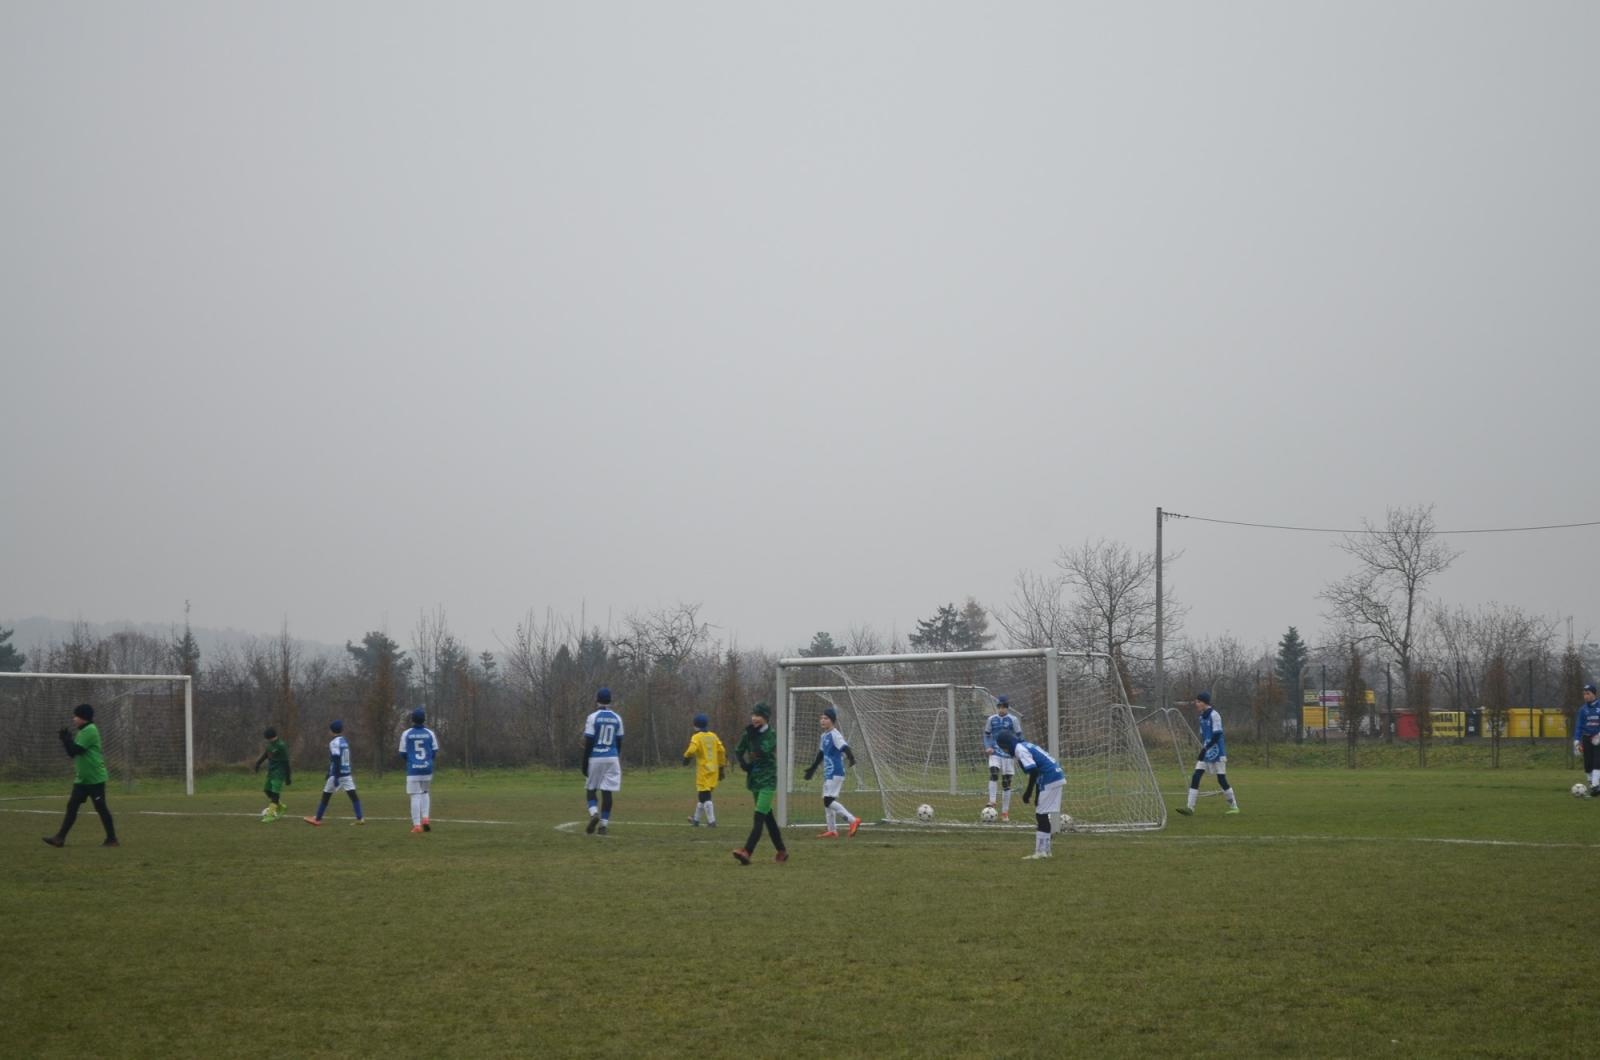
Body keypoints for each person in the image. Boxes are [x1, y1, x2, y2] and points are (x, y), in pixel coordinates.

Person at [42, 703, 118, 848]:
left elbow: (76, 750)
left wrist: (66, 740)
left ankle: (112, 839)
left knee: (100, 807)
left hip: (95, 778)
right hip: (83, 779)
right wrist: (66, 741)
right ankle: (60, 838)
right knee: (72, 806)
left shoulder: (90, 730)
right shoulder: (82, 731)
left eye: (76, 716)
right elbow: (72, 752)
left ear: (83, 717)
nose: (74, 719)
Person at [731, 703, 788, 864]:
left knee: (758, 817)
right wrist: (743, 763)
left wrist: (752, 736)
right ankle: (782, 851)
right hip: (755, 779)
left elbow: (760, 751)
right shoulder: (750, 732)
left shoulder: (771, 735)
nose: (754, 718)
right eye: (753, 714)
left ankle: (747, 851)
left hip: (768, 780)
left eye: (759, 715)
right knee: (767, 817)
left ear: (766, 718)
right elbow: (738, 750)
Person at [994, 729, 1064, 860]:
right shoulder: (1024, 746)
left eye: (1003, 749)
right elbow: (1037, 770)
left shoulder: (1020, 750)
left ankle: (1040, 852)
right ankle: (1046, 851)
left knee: (1041, 815)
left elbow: (1034, 771)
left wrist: (1028, 792)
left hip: (1050, 778)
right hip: (1055, 776)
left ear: (1006, 745)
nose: (1004, 752)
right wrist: (1037, 796)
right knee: (1042, 813)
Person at [1176, 692, 1239, 816]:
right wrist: (1204, 748)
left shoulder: (1215, 715)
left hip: (1217, 752)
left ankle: (1234, 806)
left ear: (1205, 702)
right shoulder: (1201, 717)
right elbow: (1204, 736)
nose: (1196, 704)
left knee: (1221, 780)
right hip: (1207, 751)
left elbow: (1217, 735)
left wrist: (1205, 749)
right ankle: (1190, 808)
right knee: (1196, 776)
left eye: (1198, 702)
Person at [802, 706, 860, 838]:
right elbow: (821, 753)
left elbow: (844, 746)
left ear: (832, 720)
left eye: (826, 718)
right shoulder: (824, 736)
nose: (822, 720)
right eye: (821, 718)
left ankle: (852, 820)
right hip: (829, 773)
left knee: (828, 801)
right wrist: (812, 768)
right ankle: (832, 830)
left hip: (836, 772)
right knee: (827, 801)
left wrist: (851, 758)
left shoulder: (835, 734)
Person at [305, 720, 364, 826]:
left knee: (325, 796)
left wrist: (335, 775)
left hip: (338, 773)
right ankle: (360, 818)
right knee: (353, 796)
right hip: (347, 773)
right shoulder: (344, 741)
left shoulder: (333, 743)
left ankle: (317, 819)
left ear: (331, 731)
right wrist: (329, 771)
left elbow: (336, 758)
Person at [582, 687, 623, 835]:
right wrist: (615, 756)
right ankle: (604, 825)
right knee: (607, 792)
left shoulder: (592, 717)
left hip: (596, 756)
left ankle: (594, 814)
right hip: (612, 757)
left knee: (591, 789)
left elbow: (589, 741)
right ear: (610, 701)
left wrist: (584, 762)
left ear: (597, 700)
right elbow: (619, 742)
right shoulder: (617, 718)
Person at [981, 695, 1023, 821]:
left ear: (1007, 707)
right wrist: (988, 746)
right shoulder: (991, 719)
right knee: (993, 773)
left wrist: (1018, 751)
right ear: (997, 707)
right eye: (999, 706)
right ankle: (992, 801)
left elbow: (1020, 736)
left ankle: (1005, 812)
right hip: (995, 752)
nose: (1001, 709)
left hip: (1008, 755)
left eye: (1004, 707)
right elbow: (987, 734)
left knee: (1006, 783)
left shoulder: (1013, 720)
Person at [398, 708, 440, 833]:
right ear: (424, 719)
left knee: (415, 796)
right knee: (425, 792)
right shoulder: (429, 733)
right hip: (427, 768)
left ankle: (417, 825)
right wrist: (427, 761)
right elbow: (434, 751)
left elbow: (402, 753)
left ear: (412, 720)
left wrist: (411, 760)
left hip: (413, 770)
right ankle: (426, 818)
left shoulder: (406, 733)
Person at [682, 713, 726, 827]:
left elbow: (691, 750)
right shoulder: (713, 736)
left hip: (704, 770)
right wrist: (721, 767)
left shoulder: (696, 737)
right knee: (703, 795)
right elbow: (722, 751)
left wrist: (686, 757)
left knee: (705, 796)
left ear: (695, 726)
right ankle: (696, 820)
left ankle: (712, 821)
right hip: (714, 770)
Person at [253, 727, 292, 822]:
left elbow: (286, 762)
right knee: (267, 791)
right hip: (271, 772)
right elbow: (266, 754)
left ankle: (270, 815)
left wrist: (288, 777)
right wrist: (258, 763)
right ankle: (281, 806)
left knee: (275, 793)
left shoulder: (281, 746)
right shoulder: (270, 745)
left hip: (279, 773)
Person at [1573, 683, 1600, 796]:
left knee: (1597, 761)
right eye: (1584, 694)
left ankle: (1595, 785)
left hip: (1598, 739)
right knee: (1588, 764)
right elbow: (1579, 726)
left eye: (1588, 693)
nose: (1585, 696)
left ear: (1594, 694)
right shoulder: (1583, 709)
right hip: (1586, 738)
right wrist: (1576, 741)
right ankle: (1592, 784)